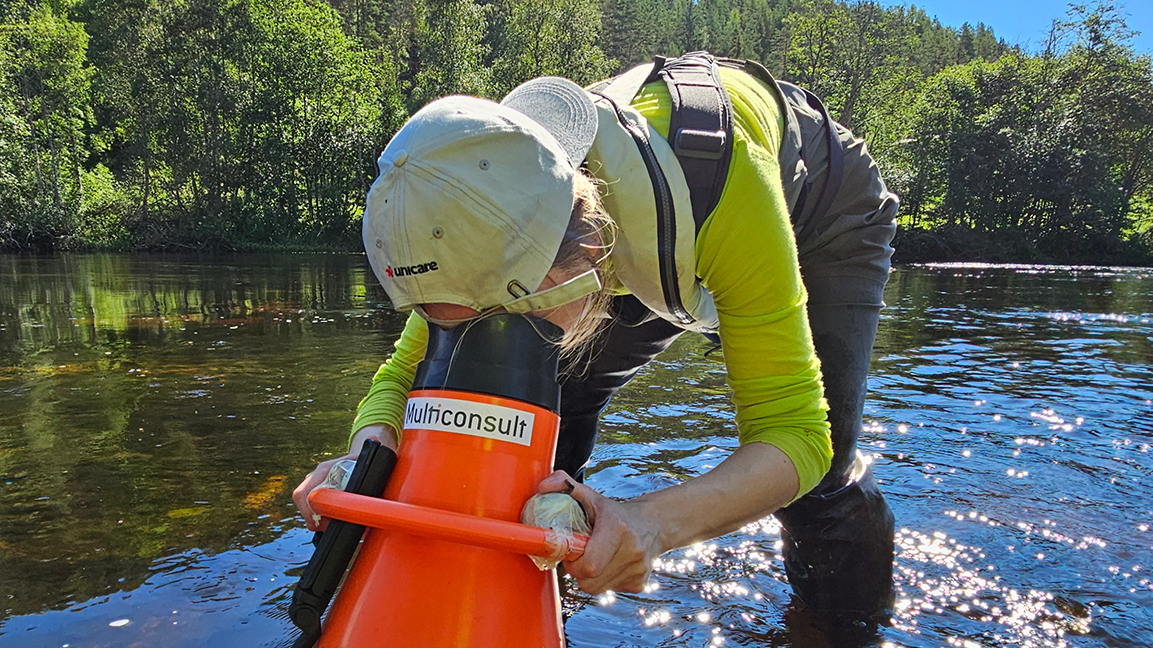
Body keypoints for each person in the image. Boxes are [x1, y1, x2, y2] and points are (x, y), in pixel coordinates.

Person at [292, 52, 899, 617]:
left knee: (817, 484)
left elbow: (795, 435)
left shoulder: (726, 192)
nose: (478, 337)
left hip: (819, 211)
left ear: (581, 263)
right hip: (623, 234)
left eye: (500, 319)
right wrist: (365, 459)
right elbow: (406, 375)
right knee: (544, 398)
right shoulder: (484, 203)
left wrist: (650, 523)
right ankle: (531, 587)